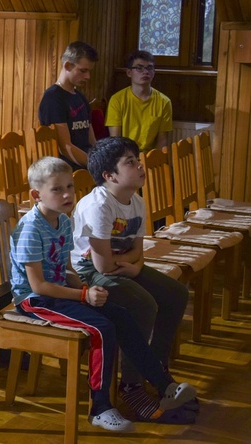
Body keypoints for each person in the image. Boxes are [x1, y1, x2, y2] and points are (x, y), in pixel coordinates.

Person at [10, 156, 198, 432]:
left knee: (120, 315)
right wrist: (83, 296)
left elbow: (63, 271)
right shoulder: (30, 228)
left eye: (70, 187)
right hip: (34, 301)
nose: (67, 195)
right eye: (57, 189)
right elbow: (38, 286)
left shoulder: (62, 221)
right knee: (102, 328)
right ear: (36, 194)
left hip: (57, 293)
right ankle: (100, 407)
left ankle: (163, 384)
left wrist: (84, 289)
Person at [71, 137, 198, 422]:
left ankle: (157, 369)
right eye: (130, 162)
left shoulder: (136, 201)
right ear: (109, 175)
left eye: (137, 160)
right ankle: (131, 384)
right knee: (143, 303)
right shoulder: (99, 206)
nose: (140, 166)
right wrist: (131, 263)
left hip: (124, 265)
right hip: (87, 271)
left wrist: (135, 266)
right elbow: (100, 264)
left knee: (176, 293)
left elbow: (139, 250)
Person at [38, 41, 98, 169]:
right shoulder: (53, 98)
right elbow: (65, 147)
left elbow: (91, 140)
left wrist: (102, 158)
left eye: (89, 71)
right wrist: (96, 165)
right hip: (66, 169)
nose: (88, 76)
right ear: (67, 65)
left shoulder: (81, 97)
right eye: (83, 70)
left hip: (87, 164)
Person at [106, 50, 172, 151]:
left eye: (149, 68)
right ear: (129, 72)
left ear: (154, 72)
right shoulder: (117, 100)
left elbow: (162, 142)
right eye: (139, 68)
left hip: (151, 158)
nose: (145, 72)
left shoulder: (164, 101)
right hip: (125, 156)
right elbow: (115, 140)